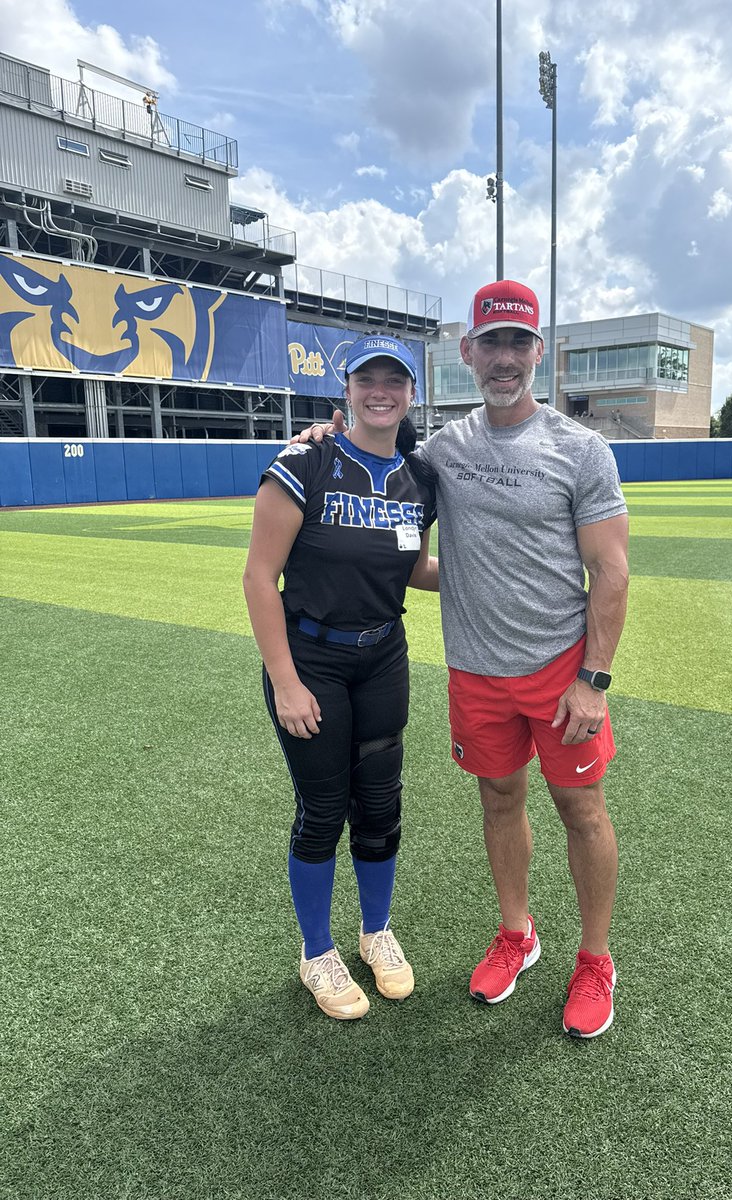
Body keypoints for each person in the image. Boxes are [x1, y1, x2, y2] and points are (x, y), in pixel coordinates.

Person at [297, 282, 629, 1038]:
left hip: (560, 669)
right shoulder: (442, 451)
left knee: (581, 810)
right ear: (468, 353)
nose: (505, 359)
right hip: (476, 671)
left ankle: (595, 959)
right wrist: (328, 434)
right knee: (499, 801)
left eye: (519, 343)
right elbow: (382, 477)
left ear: (538, 352)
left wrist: (593, 680)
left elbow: (611, 572)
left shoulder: (580, 449)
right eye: (492, 343)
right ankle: (517, 934)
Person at [243, 334, 438, 1021]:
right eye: (367, 380)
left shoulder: (421, 479)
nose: (380, 391)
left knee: (380, 806)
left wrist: (493, 577)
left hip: (383, 655)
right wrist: (285, 681)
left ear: (410, 394)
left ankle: (376, 932)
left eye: (394, 381)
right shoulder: (306, 461)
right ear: (347, 391)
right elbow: (259, 578)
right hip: (312, 658)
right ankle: (317, 951)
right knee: (324, 811)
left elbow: (413, 568)